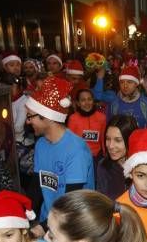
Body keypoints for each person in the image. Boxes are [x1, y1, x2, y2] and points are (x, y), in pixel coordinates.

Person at [25, 77, 94, 227]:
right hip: (48, 219)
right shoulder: (41, 145)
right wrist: (24, 216)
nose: (27, 122)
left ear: (47, 117)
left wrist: (43, 227)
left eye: (30, 116)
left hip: (74, 225)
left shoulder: (76, 150)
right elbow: (36, 187)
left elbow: (71, 202)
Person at [96, 115, 137, 200]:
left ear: (131, 140)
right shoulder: (104, 166)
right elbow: (102, 202)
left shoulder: (144, 166)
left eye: (117, 140)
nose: (110, 146)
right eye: (107, 139)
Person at [108, 65, 147, 131]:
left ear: (136, 84)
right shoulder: (113, 104)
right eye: (122, 82)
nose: (125, 86)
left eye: (129, 82)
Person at [67, 84, 107, 160]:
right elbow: (70, 142)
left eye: (89, 99)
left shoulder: (102, 117)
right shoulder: (73, 118)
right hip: (79, 157)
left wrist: (105, 155)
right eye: (83, 100)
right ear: (78, 103)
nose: (87, 103)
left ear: (93, 101)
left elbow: (103, 139)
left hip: (97, 157)